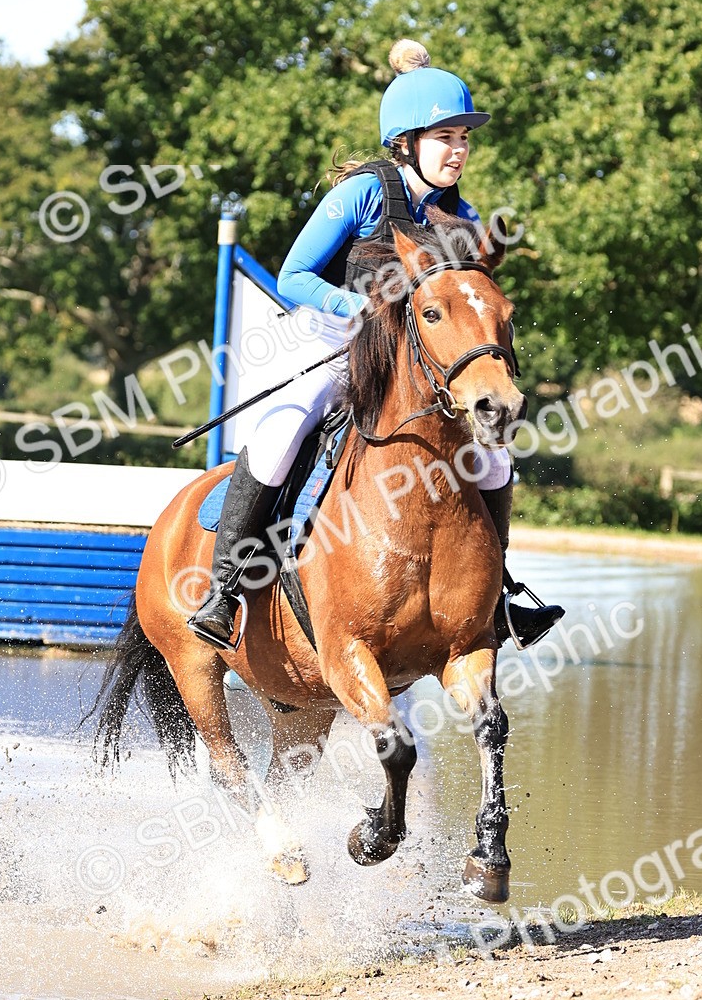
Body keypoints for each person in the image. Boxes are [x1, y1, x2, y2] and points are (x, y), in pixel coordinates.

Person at [188, 39, 564, 651]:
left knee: (494, 457)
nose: (459, 151)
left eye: (465, 139)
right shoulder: (360, 194)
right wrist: (354, 306)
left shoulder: (461, 217)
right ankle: (224, 589)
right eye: (447, 138)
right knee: (282, 433)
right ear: (407, 141)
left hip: (407, 365)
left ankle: (498, 599)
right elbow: (293, 276)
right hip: (333, 342)